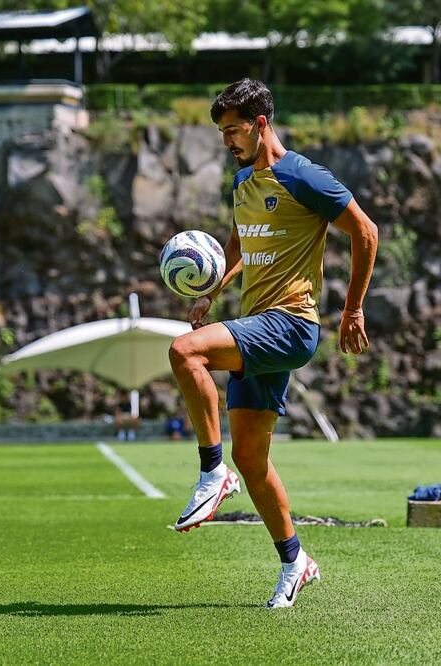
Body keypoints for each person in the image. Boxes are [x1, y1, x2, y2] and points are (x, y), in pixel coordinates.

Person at [168, 79, 377, 609]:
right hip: (256, 323)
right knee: (252, 457)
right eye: (221, 132)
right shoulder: (243, 180)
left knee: (185, 351)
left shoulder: (304, 176)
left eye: (234, 130)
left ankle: (211, 471)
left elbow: (366, 232)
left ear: (261, 124)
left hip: (291, 324)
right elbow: (239, 241)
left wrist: (352, 309)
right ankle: (295, 561)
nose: (227, 141)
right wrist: (212, 291)